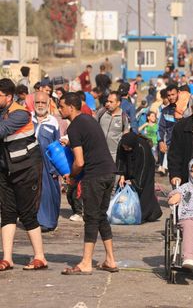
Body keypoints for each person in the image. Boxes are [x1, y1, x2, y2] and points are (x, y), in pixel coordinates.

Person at [59, 92, 118, 275]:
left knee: (91, 218)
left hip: (95, 175)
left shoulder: (74, 127)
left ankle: (86, 263)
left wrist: (72, 177)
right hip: (109, 172)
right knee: (101, 216)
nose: (59, 109)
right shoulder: (89, 119)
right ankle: (110, 260)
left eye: (61, 106)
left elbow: (79, 162)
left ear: (71, 107)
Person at [0, 78, 48, 271]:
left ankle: (40, 257)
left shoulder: (19, 113)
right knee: (7, 213)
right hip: (5, 169)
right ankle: (7, 259)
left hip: (26, 169)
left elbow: (1, 130)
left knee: (28, 214)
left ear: (8, 97)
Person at [116, 132, 162, 222]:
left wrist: (135, 183)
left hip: (145, 168)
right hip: (129, 166)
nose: (125, 149)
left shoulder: (142, 148)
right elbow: (120, 160)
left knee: (144, 190)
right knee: (123, 188)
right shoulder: (121, 145)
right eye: (124, 147)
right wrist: (122, 175)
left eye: (128, 147)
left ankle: (144, 213)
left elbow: (143, 169)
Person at [32, 92, 61, 232]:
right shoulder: (27, 119)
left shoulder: (53, 121)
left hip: (48, 164)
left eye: (43, 103)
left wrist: (57, 168)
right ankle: (35, 222)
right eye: (38, 102)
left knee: (49, 193)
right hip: (30, 163)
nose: (40, 105)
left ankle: (49, 222)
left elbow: (58, 145)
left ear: (48, 104)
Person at [96, 91, 130, 162]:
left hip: (114, 156)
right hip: (98, 153)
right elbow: (93, 128)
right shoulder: (101, 112)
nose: (108, 104)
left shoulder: (123, 117)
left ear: (118, 103)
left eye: (111, 102)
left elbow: (126, 134)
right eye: (108, 101)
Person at [158, 84, 179, 174]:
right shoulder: (165, 111)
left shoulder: (186, 109)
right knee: (174, 174)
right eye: (169, 95)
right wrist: (161, 141)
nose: (171, 97)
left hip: (186, 145)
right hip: (171, 146)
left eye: (173, 94)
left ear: (178, 93)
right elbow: (160, 128)